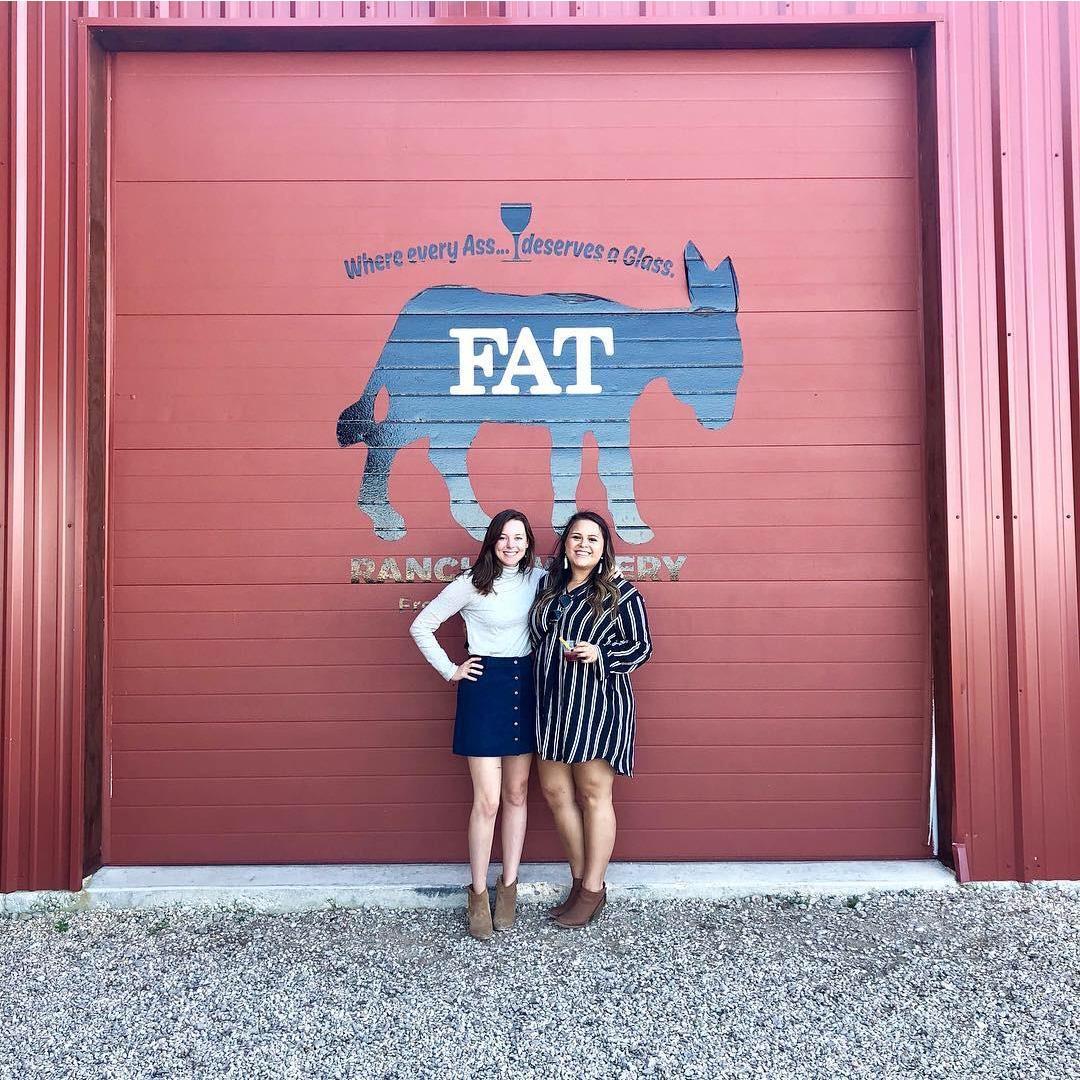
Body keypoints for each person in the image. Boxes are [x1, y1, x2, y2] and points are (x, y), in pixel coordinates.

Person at [409, 509, 542, 940]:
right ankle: (479, 893)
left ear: (528, 542)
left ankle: (509, 887)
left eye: (518, 537)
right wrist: (451, 670)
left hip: (526, 686)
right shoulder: (471, 583)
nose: (510, 545)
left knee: (517, 793)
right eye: (503, 537)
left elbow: (585, 579)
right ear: (491, 541)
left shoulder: (539, 580)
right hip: (484, 691)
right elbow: (422, 626)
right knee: (487, 800)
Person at [529, 510, 653, 928]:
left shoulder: (621, 593)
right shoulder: (548, 587)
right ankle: (580, 880)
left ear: (604, 550)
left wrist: (601, 652)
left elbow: (642, 647)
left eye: (592, 539)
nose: (583, 544)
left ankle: (593, 889)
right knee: (555, 792)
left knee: (594, 794)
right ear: (565, 544)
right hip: (550, 705)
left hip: (596, 706)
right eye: (576, 537)